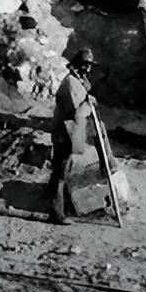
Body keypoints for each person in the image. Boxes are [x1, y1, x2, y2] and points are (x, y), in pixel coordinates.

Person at [47, 48, 96, 225]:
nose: (88, 69)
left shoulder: (77, 81)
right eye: (85, 65)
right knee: (61, 172)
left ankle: (57, 207)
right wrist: (89, 104)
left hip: (68, 131)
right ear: (78, 65)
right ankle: (57, 214)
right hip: (64, 132)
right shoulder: (70, 83)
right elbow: (78, 113)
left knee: (61, 170)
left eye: (90, 66)